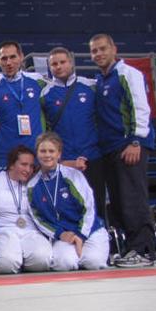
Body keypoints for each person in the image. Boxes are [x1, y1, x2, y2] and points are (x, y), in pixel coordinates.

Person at [90, 33, 156, 267]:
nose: (98, 54)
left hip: (129, 145)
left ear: (114, 49)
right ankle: (131, 248)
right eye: (94, 51)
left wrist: (136, 140)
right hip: (109, 149)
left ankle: (145, 249)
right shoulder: (101, 80)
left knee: (133, 198)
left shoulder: (128, 73)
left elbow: (140, 106)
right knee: (118, 201)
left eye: (102, 49)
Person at [28, 132, 108, 271]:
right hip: (65, 236)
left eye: (51, 151)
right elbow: (38, 219)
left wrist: (81, 235)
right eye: (43, 151)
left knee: (93, 262)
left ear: (59, 154)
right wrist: (60, 234)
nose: (47, 155)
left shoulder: (73, 175)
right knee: (64, 263)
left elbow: (88, 208)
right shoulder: (32, 186)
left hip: (89, 231)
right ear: (37, 154)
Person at [40, 47, 104, 219]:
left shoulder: (91, 87)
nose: (59, 66)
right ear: (49, 67)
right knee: (69, 208)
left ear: (71, 63)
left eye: (62, 62)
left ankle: (103, 243)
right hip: (65, 161)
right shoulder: (45, 94)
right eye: (54, 64)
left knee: (96, 206)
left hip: (93, 158)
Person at [0, 146, 51, 273]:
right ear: (11, 165)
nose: (28, 170)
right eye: (24, 164)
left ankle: (22, 260)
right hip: (2, 231)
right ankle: (14, 259)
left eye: (31, 166)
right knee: (5, 264)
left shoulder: (36, 182)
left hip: (31, 232)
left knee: (42, 260)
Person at [0, 40, 46, 168]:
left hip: (36, 152)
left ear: (21, 57)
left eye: (13, 57)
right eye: (4, 58)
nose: (9, 63)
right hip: (5, 154)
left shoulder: (38, 81)